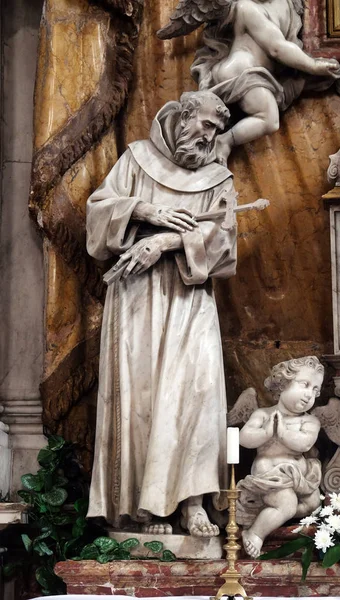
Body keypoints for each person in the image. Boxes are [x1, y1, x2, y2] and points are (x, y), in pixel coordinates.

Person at [86, 91, 237, 537]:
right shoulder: (135, 160)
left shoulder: (217, 177)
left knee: (197, 389)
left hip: (190, 297)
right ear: (183, 117)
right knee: (145, 396)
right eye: (207, 124)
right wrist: (145, 211)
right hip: (137, 297)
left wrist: (166, 242)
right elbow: (97, 214)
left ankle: (192, 502)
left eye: (217, 129)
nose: (211, 136)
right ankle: (145, 507)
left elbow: (226, 241)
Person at [190, 0, 340, 163]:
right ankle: (224, 141)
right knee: (269, 120)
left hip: (255, 73)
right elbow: (276, 48)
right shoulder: (246, 7)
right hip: (240, 70)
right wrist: (313, 65)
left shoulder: (287, 4)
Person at [236, 356, 324, 558]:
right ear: (283, 384)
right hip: (270, 476)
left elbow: (305, 443)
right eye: (305, 385)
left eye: (315, 390)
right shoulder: (263, 414)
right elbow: (244, 438)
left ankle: (273, 515)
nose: (309, 394)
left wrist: (282, 432)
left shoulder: (310, 421)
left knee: (313, 505)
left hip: (300, 479)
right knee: (287, 504)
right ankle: (256, 532)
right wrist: (267, 432)